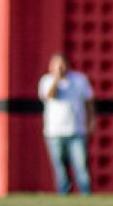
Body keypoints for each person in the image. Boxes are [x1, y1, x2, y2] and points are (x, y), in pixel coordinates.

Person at [37, 53, 94, 196]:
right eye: (56, 65)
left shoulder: (79, 80)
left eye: (62, 64)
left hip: (77, 130)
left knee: (81, 166)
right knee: (60, 168)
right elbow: (50, 96)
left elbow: (88, 102)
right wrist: (57, 79)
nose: (60, 68)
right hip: (54, 132)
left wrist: (91, 121)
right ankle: (63, 195)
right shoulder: (46, 80)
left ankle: (86, 194)